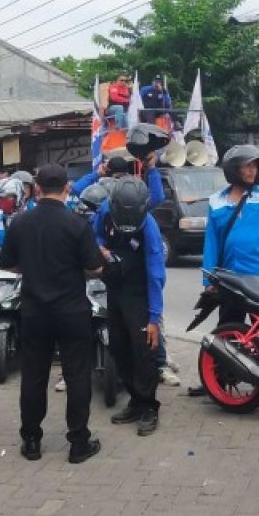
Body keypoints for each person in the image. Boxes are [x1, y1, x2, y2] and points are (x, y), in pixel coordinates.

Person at [0, 164, 105, 464]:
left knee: (33, 375)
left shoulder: (20, 222)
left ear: (36, 187)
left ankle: (31, 440)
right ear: (67, 188)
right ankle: (78, 442)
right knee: (76, 375)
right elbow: (95, 267)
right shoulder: (76, 224)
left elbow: (7, 264)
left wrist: (32, 267)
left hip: (34, 311)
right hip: (72, 310)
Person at [185, 144, 259, 396]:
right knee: (228, 327)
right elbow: (212, 241)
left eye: (255, 166)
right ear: (233, 170)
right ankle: (216, 379)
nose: (253, 171)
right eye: (247, 166)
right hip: (230, 275)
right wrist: (208, 276)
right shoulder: (217, 200)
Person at [95, 176, 166, 435]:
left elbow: (156, 275)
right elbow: (96, 236)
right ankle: (135, 400)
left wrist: (153, 318)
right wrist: (101, 250)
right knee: (118, 346)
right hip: (115, 288)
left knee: (144, 350)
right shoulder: (104, 211)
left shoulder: (149, 228)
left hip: (140, 291)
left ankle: (149, 406)